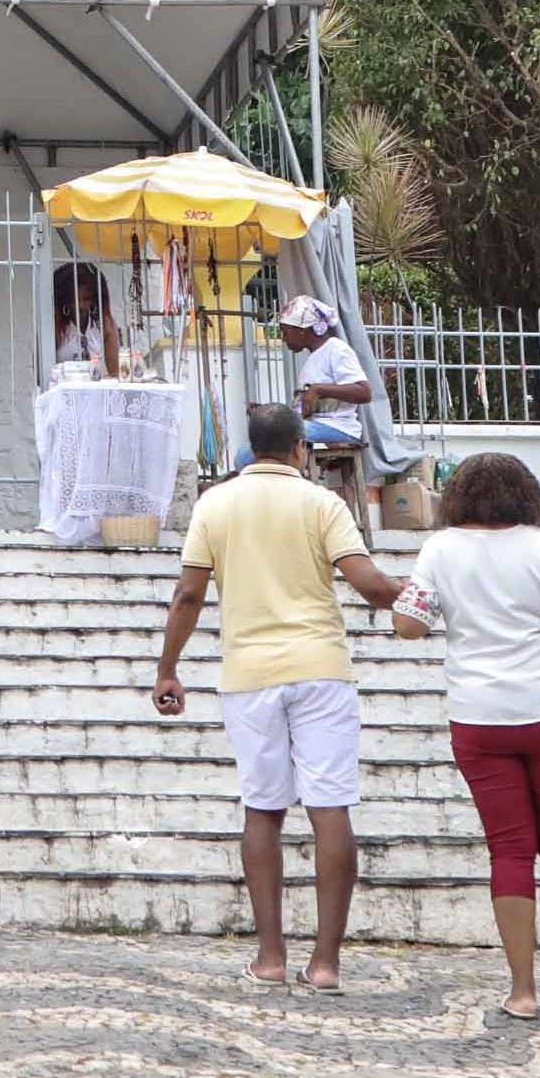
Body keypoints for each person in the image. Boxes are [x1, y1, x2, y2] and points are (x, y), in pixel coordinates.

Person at [152, 402, 411, 988]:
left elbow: (188, 595)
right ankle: (325, 964)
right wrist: (421, 594)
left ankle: (270, 958)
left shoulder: (214, 505)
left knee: (262, 810)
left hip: (249, 676)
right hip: (321, 670)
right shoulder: (323, 504)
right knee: (330, 810)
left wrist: (168, 669)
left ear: (251, 450)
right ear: (301, 449)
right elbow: (370, 587)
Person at [391, 452, 540, 1023]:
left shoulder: (440, 549)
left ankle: (523, 989)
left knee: (511, 851)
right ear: (528, 496)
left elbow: (409, 626)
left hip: (479, 718)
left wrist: (409, 593)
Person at [278, 297, 375, 496]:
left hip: (338, 427)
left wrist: (319, 390)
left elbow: (364, 392)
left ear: (302, 330)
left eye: (285, 332)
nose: (283, 338)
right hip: (315, 426)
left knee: (280, 434)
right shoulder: (313, 358)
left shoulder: (336, 350)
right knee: (249, 450)